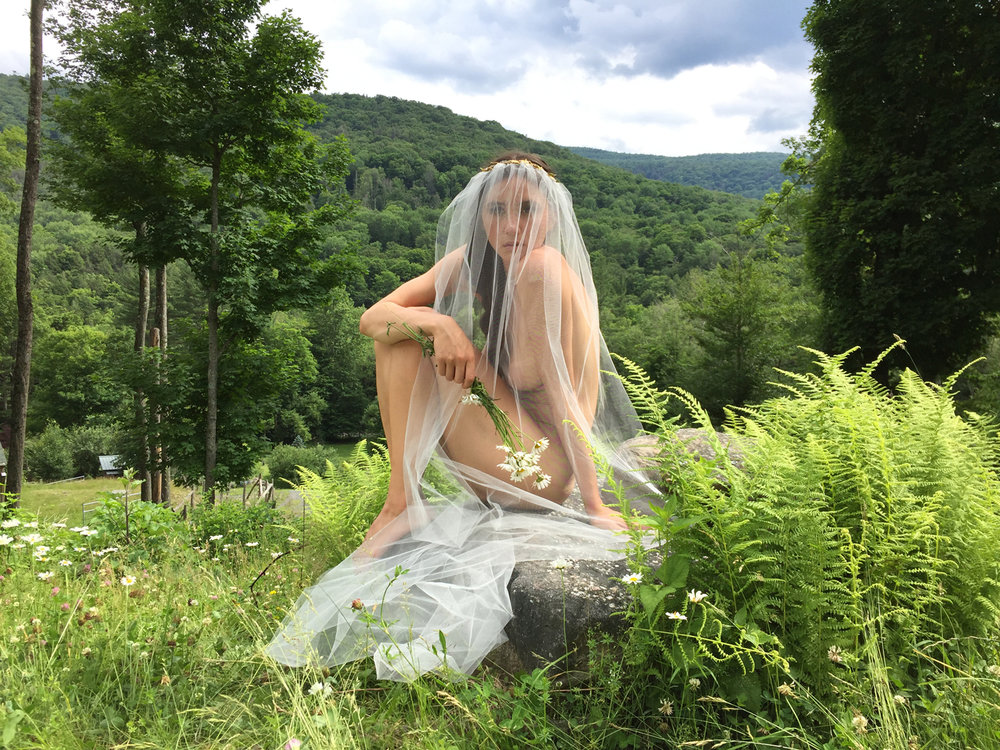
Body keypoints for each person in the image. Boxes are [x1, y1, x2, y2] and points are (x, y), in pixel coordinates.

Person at [268, 153, 656, 680]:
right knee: (405, 332)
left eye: (526, 209)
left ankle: (403, 505)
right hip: (502, 450)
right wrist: (438, 324)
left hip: (541, 468)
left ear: (550, 215)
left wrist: (594, 505)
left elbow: (567, 400)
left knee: (411, 337)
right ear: (479, 214)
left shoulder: (543, 269)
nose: (512, 226)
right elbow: (372, 319)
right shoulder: (473, 263)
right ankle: (402, 503)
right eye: (497, 210)